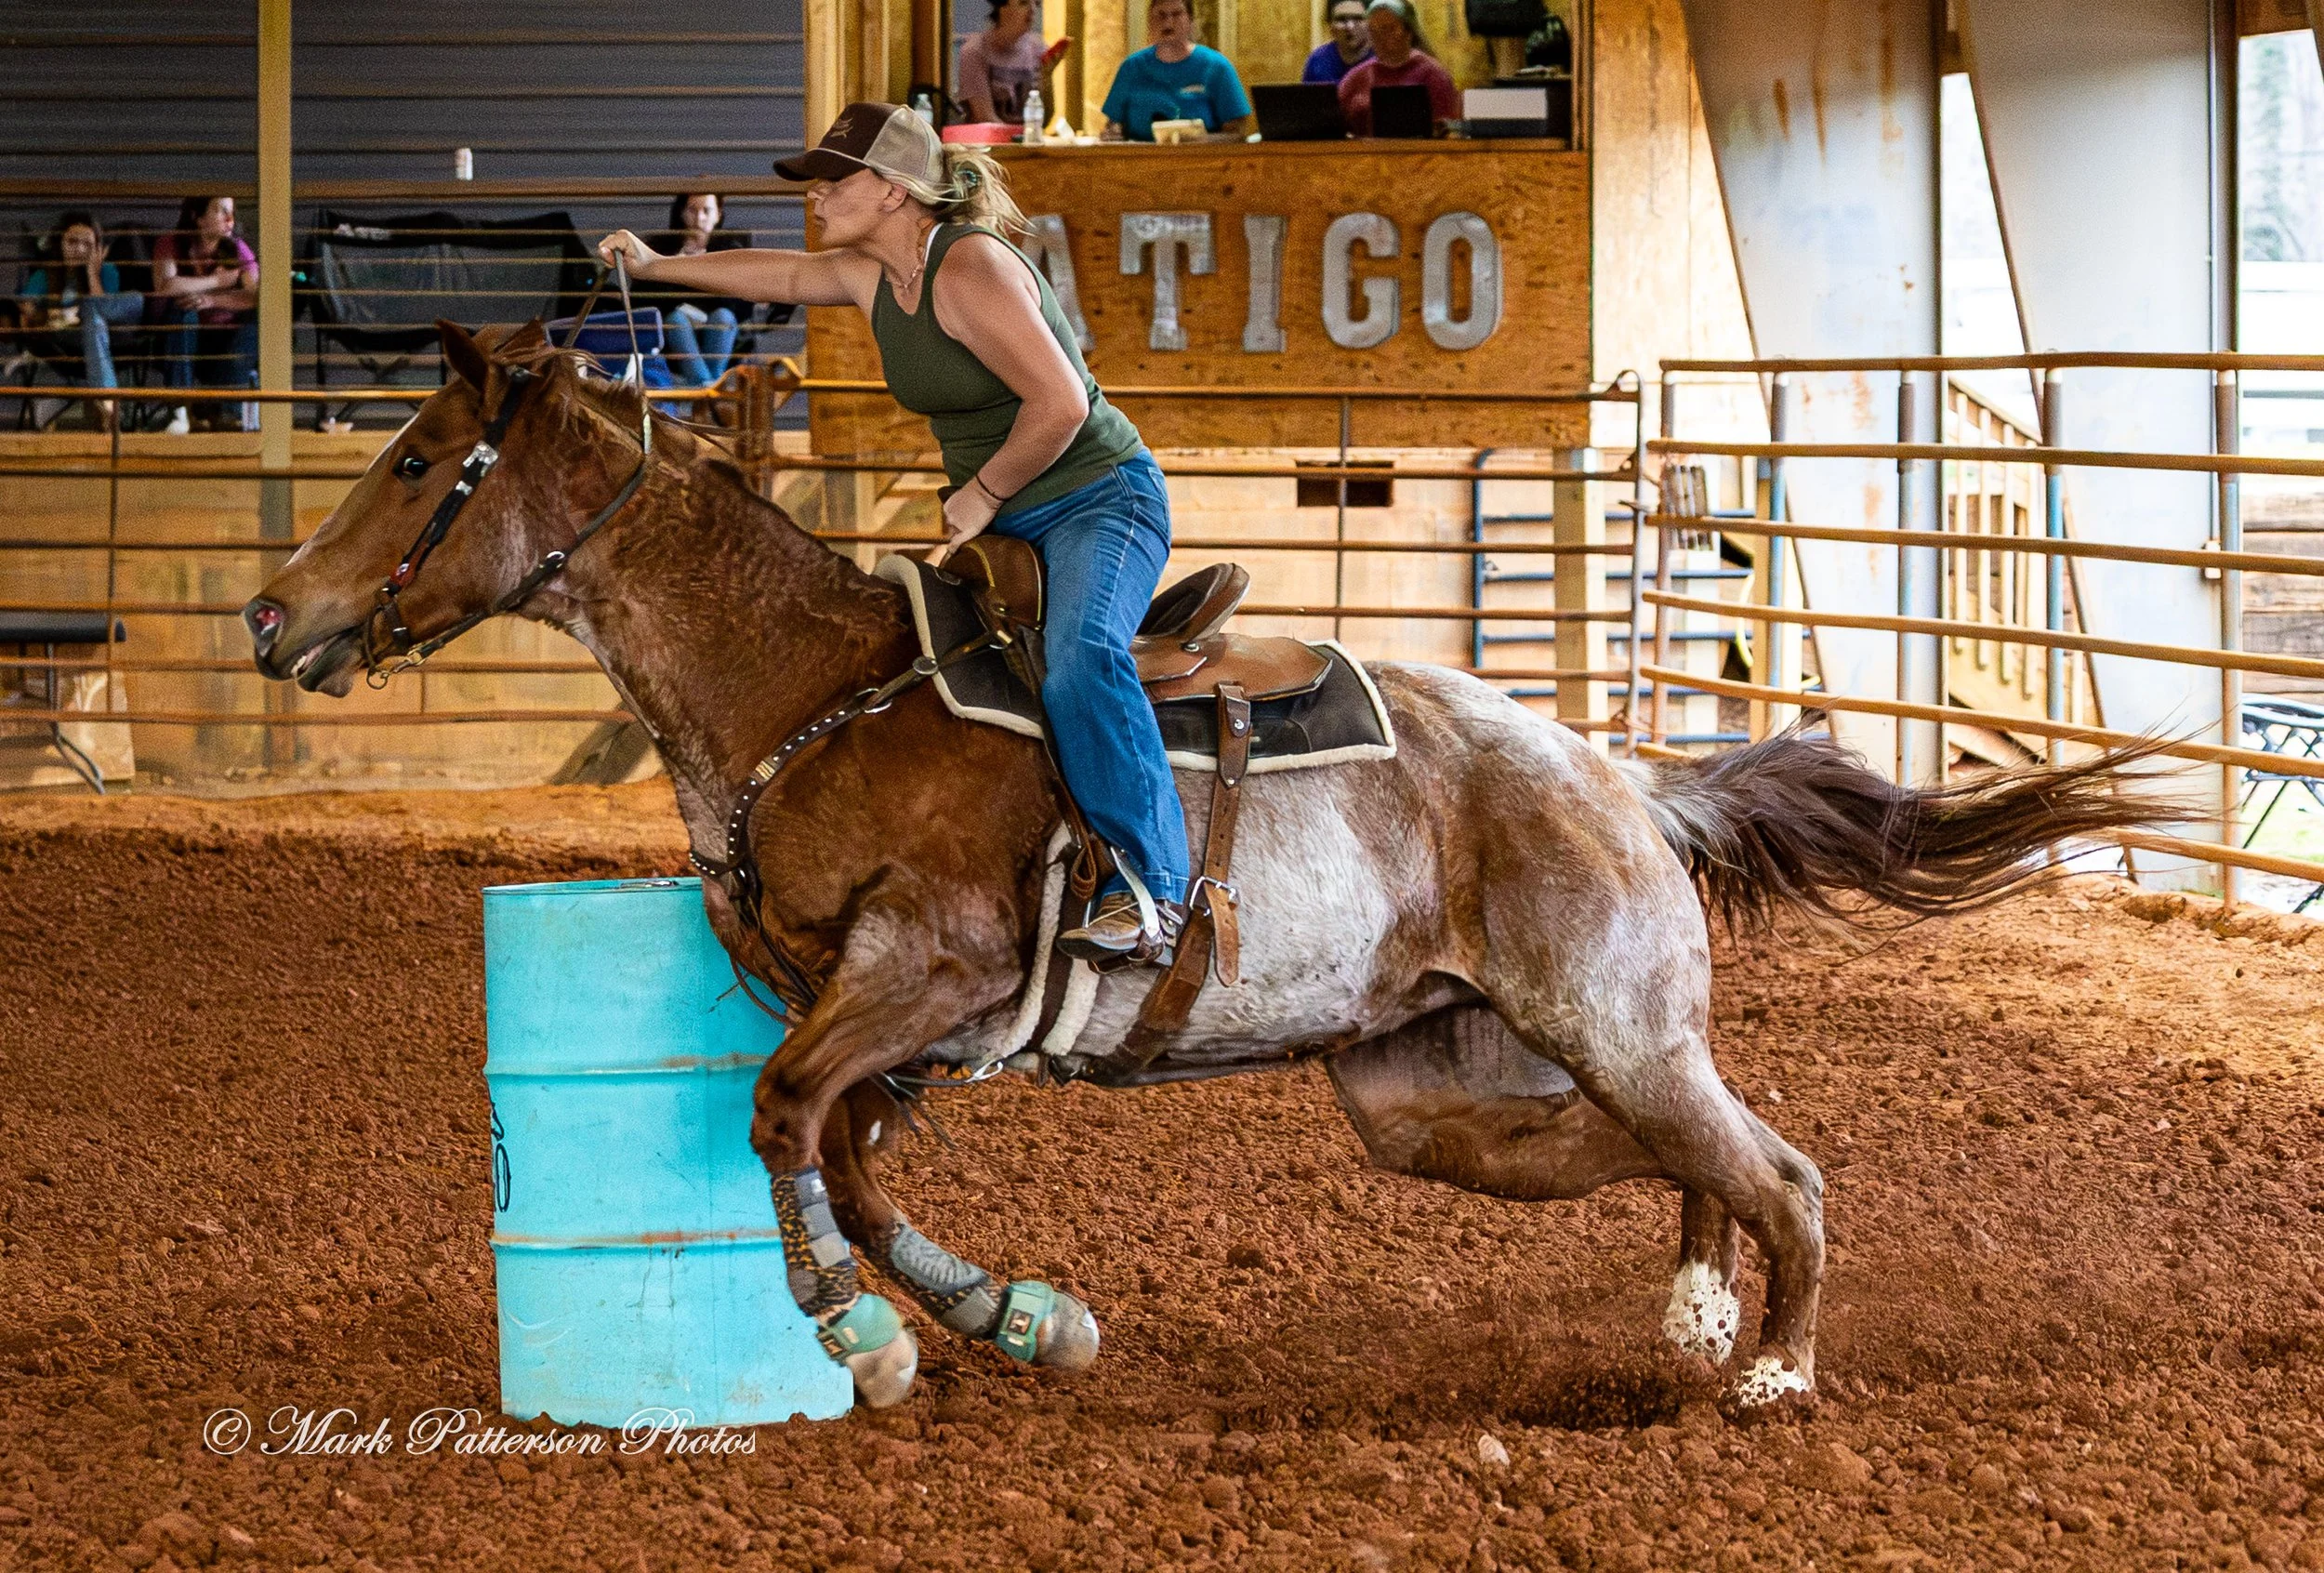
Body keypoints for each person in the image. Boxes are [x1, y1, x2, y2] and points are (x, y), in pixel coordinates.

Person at [600, 102, 1193, 962]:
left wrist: (983, 492)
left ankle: (1152, 890)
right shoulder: (873, 273)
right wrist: (658, 266)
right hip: (1005, 514)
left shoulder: (970, 266)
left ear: (891, 191)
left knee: (1081, 657)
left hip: (1099, 499)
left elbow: (1062, 404)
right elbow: (783, 274)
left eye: (831, 182)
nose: (815, 198)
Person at [19, 211, 144, 429]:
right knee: (92, 312)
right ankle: (107, 401)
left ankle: (105, 403)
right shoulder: (47, 274)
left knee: (133, 299)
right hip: (67, 337)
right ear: (60, 243)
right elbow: (26, 308)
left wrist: (92, 273)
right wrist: (53, 317)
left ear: (97, 248)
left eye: (87, 244)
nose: (79, 249)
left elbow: (105, 309)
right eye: (72, 242)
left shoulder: (107, 271)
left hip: (106, 337)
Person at [152, 195, 257, 432]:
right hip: (180, 339)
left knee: (256, 323)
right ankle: (181, 409)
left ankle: (226, 409)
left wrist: (211, 300)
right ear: (197, 217)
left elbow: (254, 297)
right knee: (183, 309)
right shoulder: (171, 243)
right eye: (221, 211)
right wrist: (217, 281)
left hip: (224, 341)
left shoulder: (237, 248)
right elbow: (166, 286)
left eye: (232, 212)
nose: (230, 219)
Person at [1101, 0, 1255, 142]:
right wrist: (1112, 133)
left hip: (1201, 158)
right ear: (1150, 22)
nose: (1168, 22)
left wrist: (1199, 142)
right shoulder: (1131, 67)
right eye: (1161, 15)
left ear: (1191, 21)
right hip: (1142, 158)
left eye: (1176, 14)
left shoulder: (1216, 66)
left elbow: (1238, 133)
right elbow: (1113, 124)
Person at [642, 192, 750, 389]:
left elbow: (738, 299)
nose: (699, 218)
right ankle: (710, 391)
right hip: (675, 332)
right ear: (682, 213)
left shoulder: (731, 249)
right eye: (692, 210)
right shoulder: (662, 248)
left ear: (718, 214)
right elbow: (648, 296)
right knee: (676, 320)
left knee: (724, 317)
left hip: (717, 327)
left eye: (706, 211)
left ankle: (703, 390)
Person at [1338, 0, 1458, 136]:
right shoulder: (1356, 77)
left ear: (1408, 32)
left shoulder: (1433, 75)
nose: (1379, 37)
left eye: (1387, 29)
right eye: (1372, 31)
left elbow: (1447, 131)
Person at [958, 0, 1063, 126]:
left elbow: (1044, 121)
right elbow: (985, 117)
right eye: (1023, 3)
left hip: (1026, 136)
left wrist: (1046, 77)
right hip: (987, 137)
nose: (1032, 10)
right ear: (1002, 9)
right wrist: (1019, 135)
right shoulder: (975, 51)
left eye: (1036, 3)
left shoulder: (1037, 49)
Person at [1302, 0, 1374, 85]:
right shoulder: (1318, 61)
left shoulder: (1383, 60)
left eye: (1358, 18)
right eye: (1341, 19)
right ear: (1330, 26)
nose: (1350, 27)